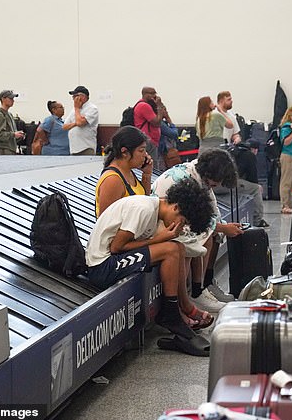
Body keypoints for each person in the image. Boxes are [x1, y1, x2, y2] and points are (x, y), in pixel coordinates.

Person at [85, 178, 214, 343]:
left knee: (179, 249)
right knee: (172, 250)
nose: (182, 228)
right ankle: (172, 313)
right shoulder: (143, 209)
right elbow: (117, 247)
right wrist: (160, 239)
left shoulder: (154, 210)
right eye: (183, 222)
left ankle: (183, 308)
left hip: (114, 260)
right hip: (102, 266)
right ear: (176, 208)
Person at [152, 149, 243, 310]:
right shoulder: (186, 180)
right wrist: (223, 228)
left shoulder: (197, 173)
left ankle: (199, 289)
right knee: (190, 245)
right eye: (214, 184)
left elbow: (213, 213)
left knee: (209, 235)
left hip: (173, 218)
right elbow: (195, 218)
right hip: (162, 224)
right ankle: (191, 296)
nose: (214, 187)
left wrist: (220, 227)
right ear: (209, 176)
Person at [95, 126, 153, 217]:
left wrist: (147, 174)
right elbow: (105, 223)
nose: (145, 155)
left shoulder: (128, 172)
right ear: (124, 152)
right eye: (141, 150)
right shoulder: (113, 180)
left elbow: (145, 201)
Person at [229, 140, 269, 227]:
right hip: (232, 183)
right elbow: (252, 176)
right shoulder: (249, 155)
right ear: (254, 150)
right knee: (255, 188)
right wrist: (257, 185)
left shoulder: (232, 151)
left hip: (221, 183)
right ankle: (257, 220)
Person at [133, 86, 166, 166]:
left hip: (150, 140)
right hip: (149, 140)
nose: (155, 96)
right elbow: (157, 122)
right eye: (152, 93)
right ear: (145, 94)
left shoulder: (146, 105)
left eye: (155, 93)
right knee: (152, 166)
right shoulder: (144, 106)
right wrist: (159, 106)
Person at [63, 85, 99, 155]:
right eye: (73, 97)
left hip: (86, 147)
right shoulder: (74, 110)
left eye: (76, 96)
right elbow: (64, 126)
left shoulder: (92, 108)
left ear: (83, 97)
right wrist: (75, 123)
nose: (73, 98)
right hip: (73, 148)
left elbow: (80, 123)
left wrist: (77, 109)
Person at [0, 90, 25, 155]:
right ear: (3, 99)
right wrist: (13, 135)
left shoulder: (9, 114)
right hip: (3, 150)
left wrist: (18, 135)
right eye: (10, 98)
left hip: (10, 149)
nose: (13, 100)